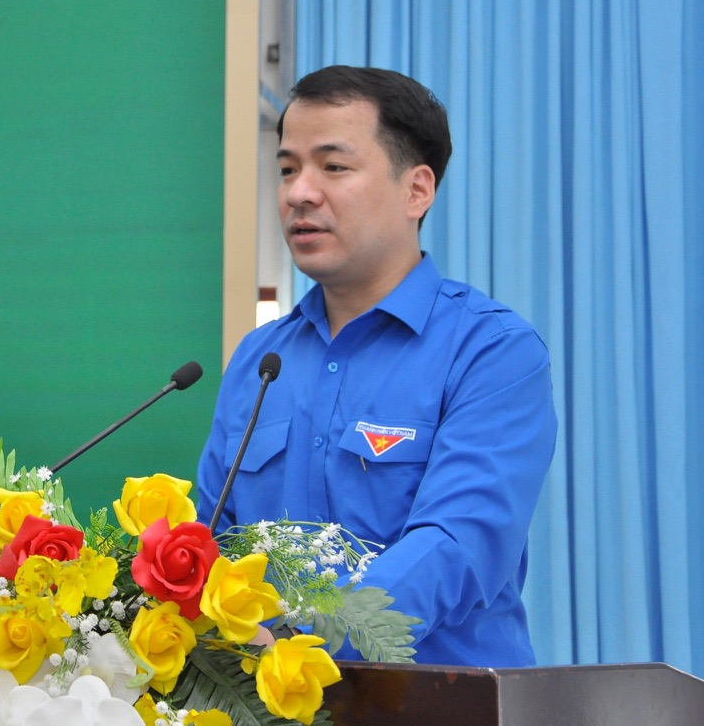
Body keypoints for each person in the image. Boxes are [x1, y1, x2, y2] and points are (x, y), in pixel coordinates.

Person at [197, 65, 557, 667]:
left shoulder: (492, 351)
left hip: (440, 700)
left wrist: (301, 645)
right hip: (261, 699)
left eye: (333, 167)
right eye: (287, 169)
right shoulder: (261, 361)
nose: (299, 193)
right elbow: (212, 542)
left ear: (417, 190)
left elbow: (456, 544)